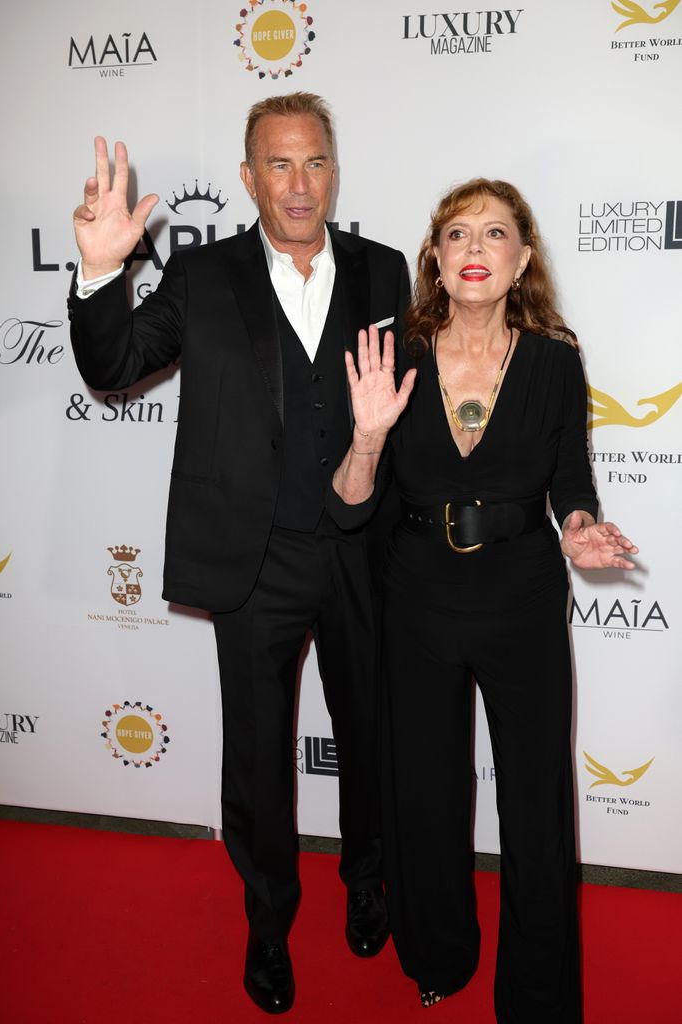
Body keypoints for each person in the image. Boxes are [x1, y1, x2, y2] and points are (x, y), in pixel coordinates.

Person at [68, 92, 410, 1015]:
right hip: (251, 562)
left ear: (334, 170)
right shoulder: (203, 275)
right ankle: (268, 922)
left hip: (360, 550)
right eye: (279, 165)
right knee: (256, 764)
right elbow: (114, 365)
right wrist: (102, 277)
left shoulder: (384, 273)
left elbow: (406, 420)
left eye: (315, 163)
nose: (300, 185)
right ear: (249, 176)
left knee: (371, 733)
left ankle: (369, 880)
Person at [332, 179, 638, 1023]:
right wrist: (364, 438)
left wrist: (578, 528)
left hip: (522, 599)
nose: (474, 247)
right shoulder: (389, 353)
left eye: (494, 233)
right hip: (417, 600)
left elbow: (571, 487)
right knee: (424, 795)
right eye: (457, 233)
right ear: (434, 257)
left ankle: (536, 995)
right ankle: (437, 955)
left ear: (520, 260)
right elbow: (350, 503)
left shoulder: (553, 361)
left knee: (535, 801)